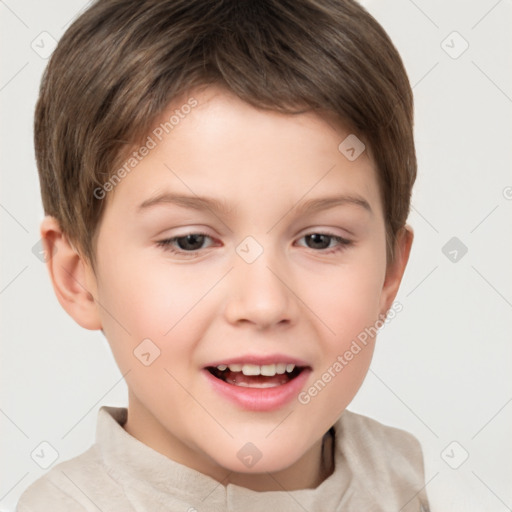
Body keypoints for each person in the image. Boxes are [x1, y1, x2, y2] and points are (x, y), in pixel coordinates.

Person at [17, 0, 430, 510]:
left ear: (390, 273)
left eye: (320, 239)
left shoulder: (402, 477)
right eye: (190, 241)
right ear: (78, 278)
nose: (263, 303)